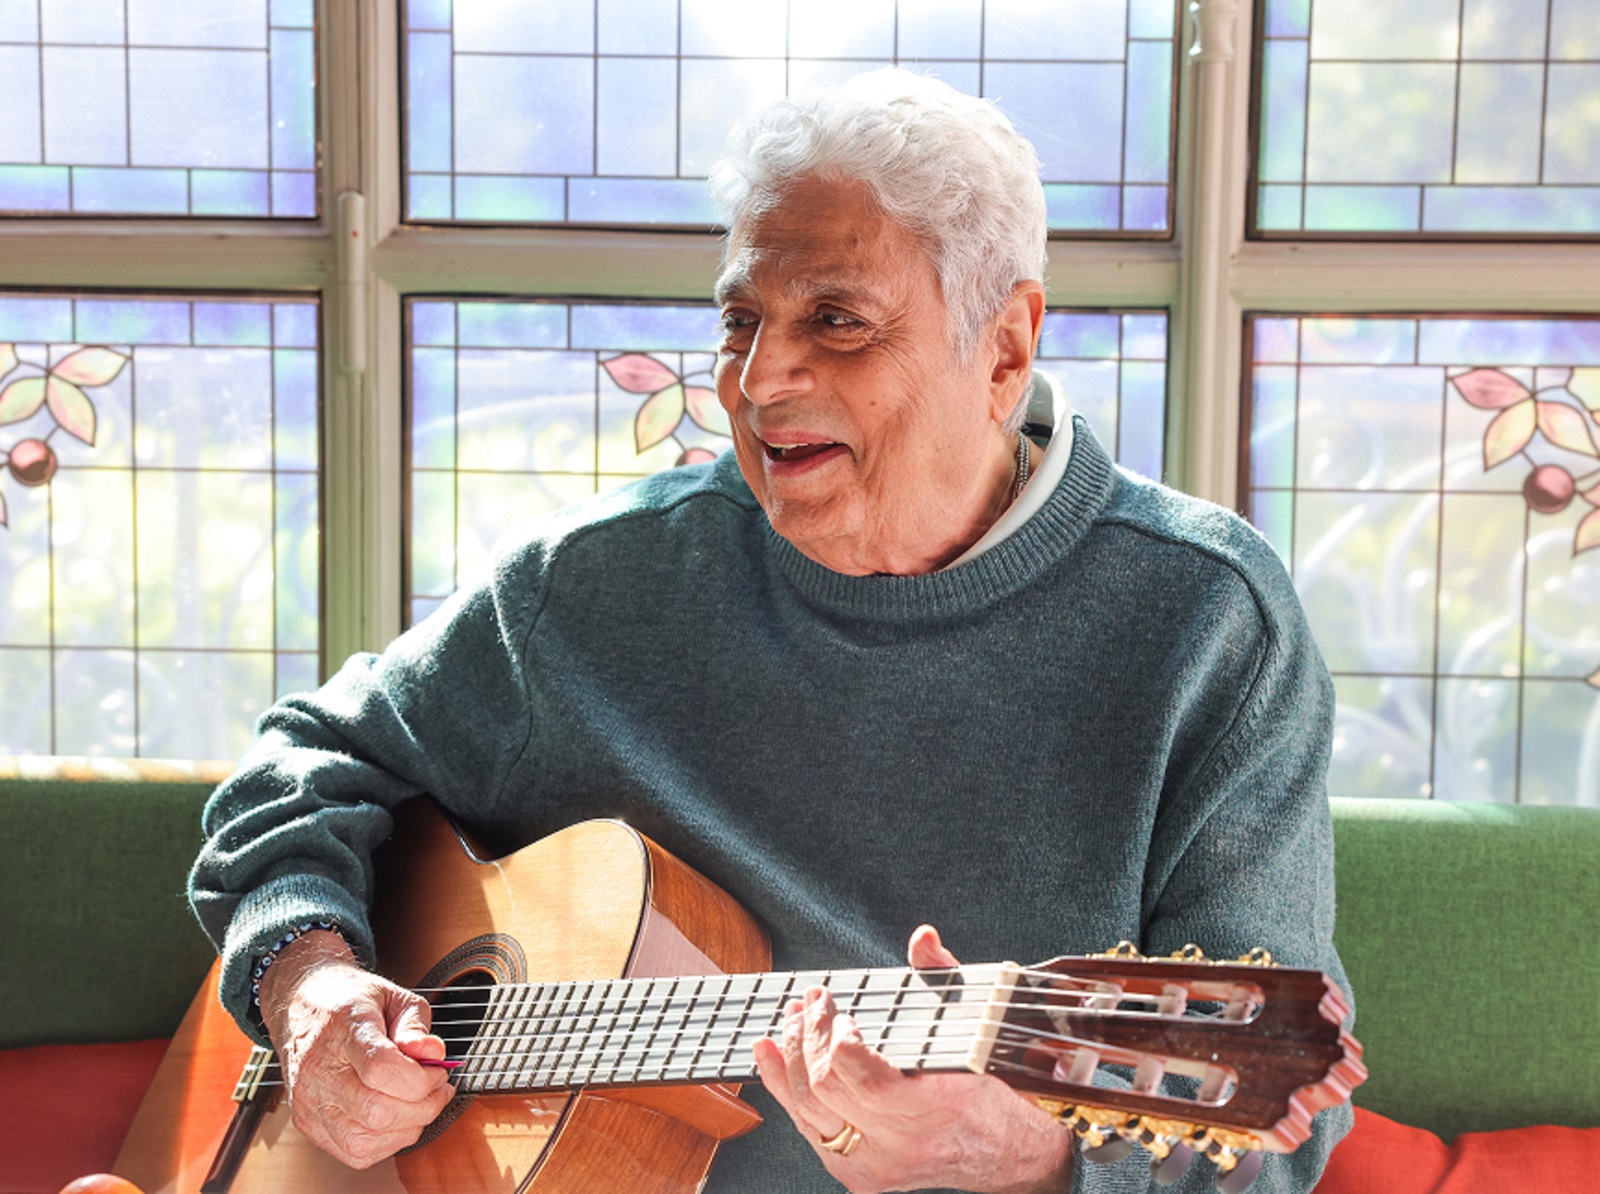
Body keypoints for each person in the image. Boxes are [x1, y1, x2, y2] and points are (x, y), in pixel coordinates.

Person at [190, 68, 1352, 1193]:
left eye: (836, 320)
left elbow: (1276, 1137)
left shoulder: (1207, 624)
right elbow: (300, 762)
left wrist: (1022, 1162)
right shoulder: (597, 584)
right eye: (742, 318)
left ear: (1002, 350)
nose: (758, 380)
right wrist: (310, 992)